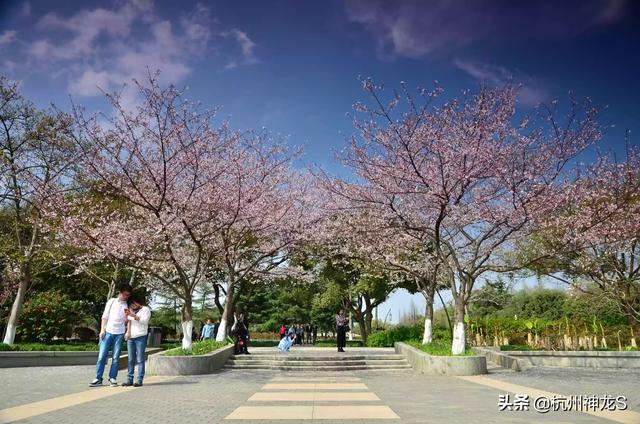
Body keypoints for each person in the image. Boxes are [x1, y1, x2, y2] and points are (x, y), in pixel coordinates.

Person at [90, 283, 132, 387]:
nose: (126, 297)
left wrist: (127, 319)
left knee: (116, 357)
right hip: (108, 331)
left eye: (128, 295)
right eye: (125, 294)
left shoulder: (128, 305)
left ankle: (112, 378)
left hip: (120, 333)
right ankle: (98, 378)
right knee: (101, 356)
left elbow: (127, 321)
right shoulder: (112, 301)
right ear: (120, 292)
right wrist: (102, 330)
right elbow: (105, 316)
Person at [122, 293, 151, 387]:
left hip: (141, 337)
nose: (132, 305)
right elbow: (129, 322)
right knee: (130, 359)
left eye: (133, 303)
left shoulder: (145, 310)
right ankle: (129, 379)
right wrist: (127, 332)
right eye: (131, 304)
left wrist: (134, 316)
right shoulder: (131, 310)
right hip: (131, 337)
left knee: (140, 359)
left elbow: (144, 321)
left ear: (138, 302)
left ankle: (139, 379)